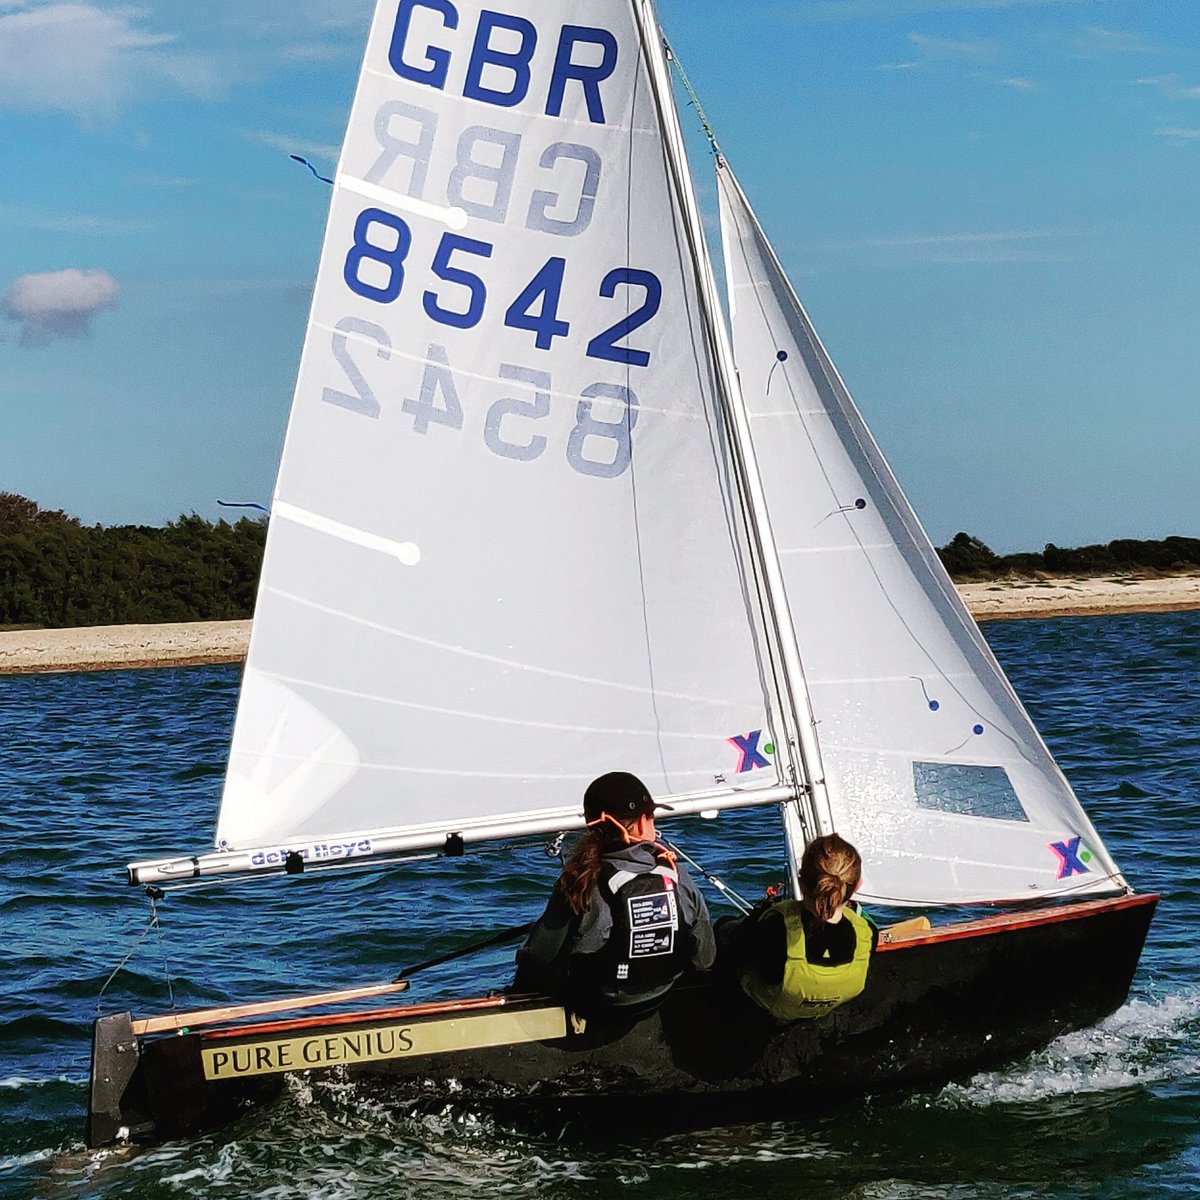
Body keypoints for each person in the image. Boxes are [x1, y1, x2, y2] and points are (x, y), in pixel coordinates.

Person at [513, 771, 716, 1019]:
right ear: (643, 823)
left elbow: (541, 953)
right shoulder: (675, 873)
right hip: (660, 995)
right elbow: (705, 957)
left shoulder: (580, 879)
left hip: (598, 1006)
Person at [733, 833, 876, 1021]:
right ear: (857, 885)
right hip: (833, 1005)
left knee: (726, 929)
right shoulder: (868, 932)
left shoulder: (777, 927)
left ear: (801, 883)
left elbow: (756, 966)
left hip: (775, 1009)